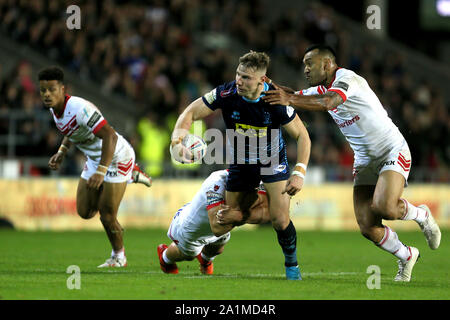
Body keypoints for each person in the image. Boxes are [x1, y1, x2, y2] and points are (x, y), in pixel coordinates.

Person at [262, 44, 441, 282]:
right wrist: (270, 86)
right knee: (368, 226)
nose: (304, 69)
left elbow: (329, 102)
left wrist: (290, 98)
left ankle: (421, 215)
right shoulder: (320, 88)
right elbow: (296, 94)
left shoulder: (348, 79)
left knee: (385, 207)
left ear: (326, 63)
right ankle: (407, 254)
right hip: (365, 158)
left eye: (309, 63)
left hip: (391, 149)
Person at [170, 51, 311, 280]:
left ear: (262, 81)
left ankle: (292, 266)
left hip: (271, 161)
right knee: (227, 219)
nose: (239, 81)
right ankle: (207, 255)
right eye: (238, 74)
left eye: (246, 77)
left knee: (280, 219)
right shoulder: (226, 93)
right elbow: (191, 112)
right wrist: (177, 141)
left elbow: (303, 136)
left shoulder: (275, 100)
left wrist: (299, 172)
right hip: (241, 163)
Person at [38, 66, 152, 268]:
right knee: (84, 211)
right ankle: (130, 176)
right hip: (95, 159)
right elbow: (71, 130)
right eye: (43, 90)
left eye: (52, 89)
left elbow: (110, 135)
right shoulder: (55, 109)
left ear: (63, 89)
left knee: (107, 215)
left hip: (116, 156)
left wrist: (102, 171)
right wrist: (62, 152)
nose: (47, 94)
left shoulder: (80, 109)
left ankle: (119, 257)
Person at [157, 170, 270, 275]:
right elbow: (217, 228)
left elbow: (268, 213)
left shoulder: (254, 178)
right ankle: (165, 257)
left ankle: (205, 260)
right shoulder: (216, 183)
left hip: (218, 224)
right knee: (189, 255)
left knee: (218, 248)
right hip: (190, 227)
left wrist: (237, 215)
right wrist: (245, 215)